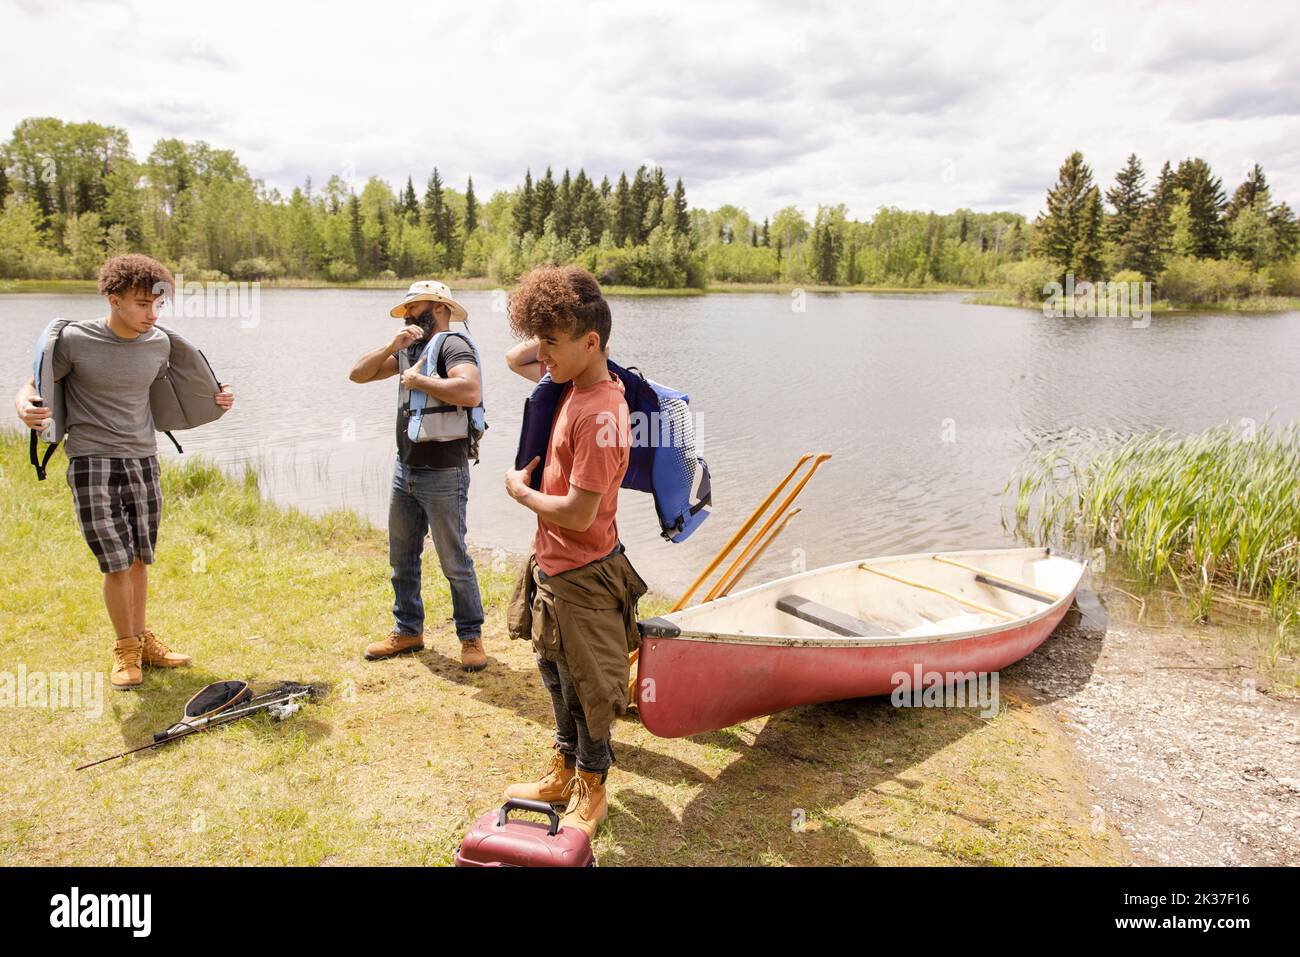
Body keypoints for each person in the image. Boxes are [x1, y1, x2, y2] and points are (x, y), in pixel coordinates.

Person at [13, 253, 235, 690]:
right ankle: (125, 648)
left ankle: (141, 639)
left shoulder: (159, 343)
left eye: (158, 305)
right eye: (141, 304)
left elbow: (177, 393)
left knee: (138, 558)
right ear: (113, 299)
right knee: (115, 562)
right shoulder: (76, 341)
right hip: (91, 460)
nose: (151, 315)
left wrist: (218, 399)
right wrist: (24, 406)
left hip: (143, 459)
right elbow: (35, 384)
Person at [502, 265, 647, 838]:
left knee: (589, 687)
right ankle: (564, 767)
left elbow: (581, 513)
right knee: (552, 668)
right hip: (554, 565)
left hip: (585, 572)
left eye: (552, 344)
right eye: (540, 340)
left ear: (592, 344)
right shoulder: (570, 379)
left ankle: (593, 782)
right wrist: (558, 309)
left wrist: (521, 493)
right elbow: (519, 360)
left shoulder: (602, 412)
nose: (541, 354)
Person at [348, 280, 487, 671]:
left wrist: (419, 380)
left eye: (416, 307)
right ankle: (408, 630)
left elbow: (470, 391)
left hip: (444, 471)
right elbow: (357, 374)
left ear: (439, 308)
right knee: (402, 557)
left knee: (453, 560)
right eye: (406, 308)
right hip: (404, 469)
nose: (408, 313)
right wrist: (391, 348)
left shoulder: (453, 345)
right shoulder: (409, 349)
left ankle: (471, 637)